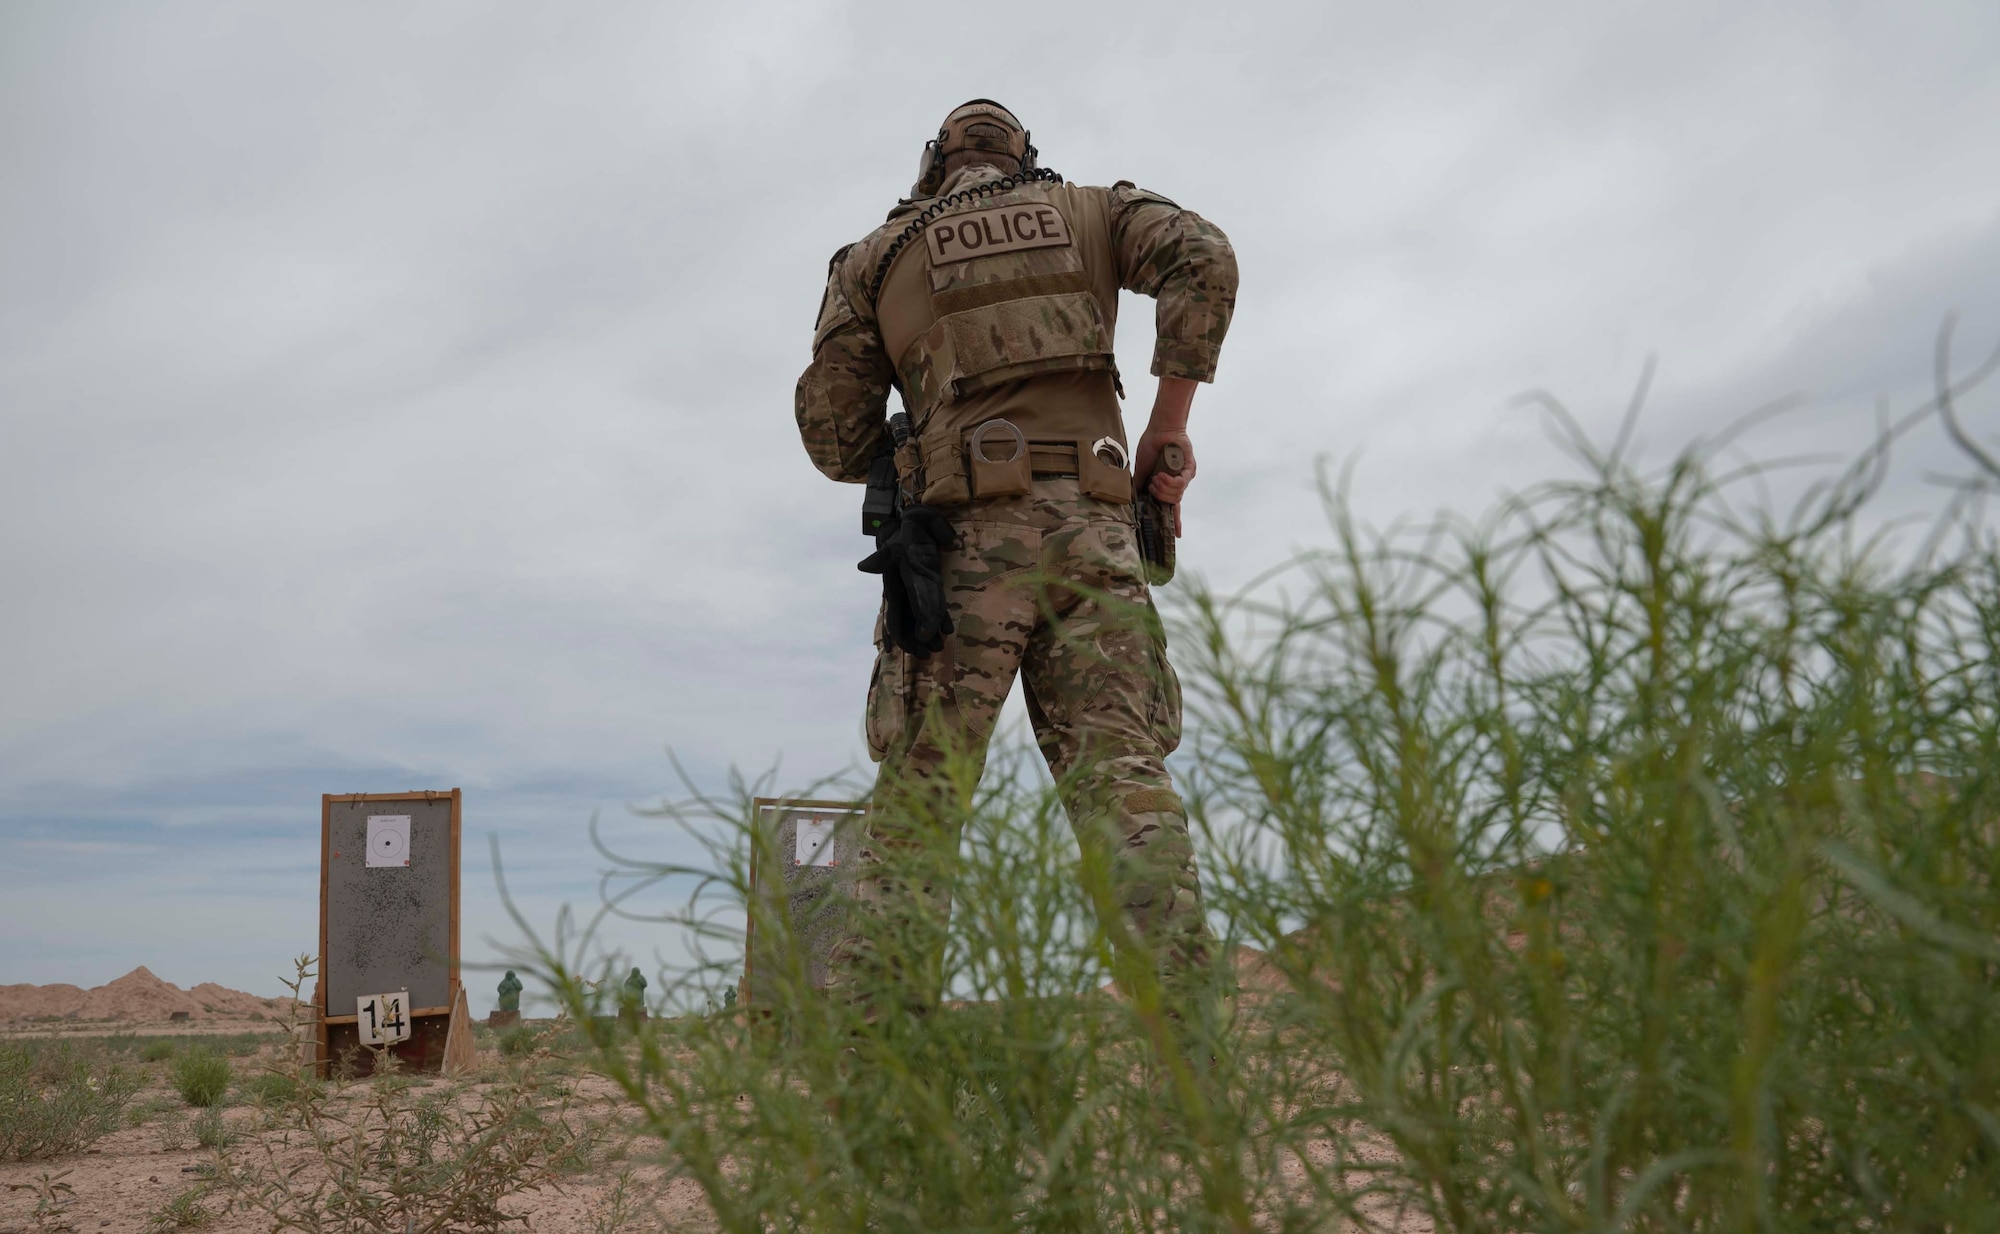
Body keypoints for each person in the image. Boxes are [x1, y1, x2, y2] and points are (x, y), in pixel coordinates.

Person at [794, 99, 1238, 1005]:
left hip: (959, 550)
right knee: (1123, 783)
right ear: (1023, 158)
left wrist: (918, 440)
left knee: (921, 806)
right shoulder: (1093, 212)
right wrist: (1166, 428)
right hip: (1097, 535)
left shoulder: (874, 260)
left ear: (933, 166)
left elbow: (835, 441)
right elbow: (1206, 257)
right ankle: (1190, 1054)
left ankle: (882, 1081)